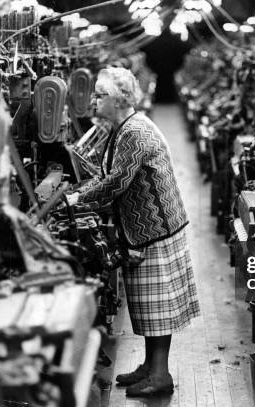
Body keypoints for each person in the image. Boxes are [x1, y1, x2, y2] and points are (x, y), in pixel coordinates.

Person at [71, 67, 200, 397]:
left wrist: (76, 200)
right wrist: (85, 190)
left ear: (118, 99)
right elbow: (110, 174)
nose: (94, 99)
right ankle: (149, 366)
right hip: (145, 227)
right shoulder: (121, 128)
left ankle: (160, 375)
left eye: (100, 94)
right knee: (147, 306)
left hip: (156, 228)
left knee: (157, 308)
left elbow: (117, 181)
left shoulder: (135, 133)